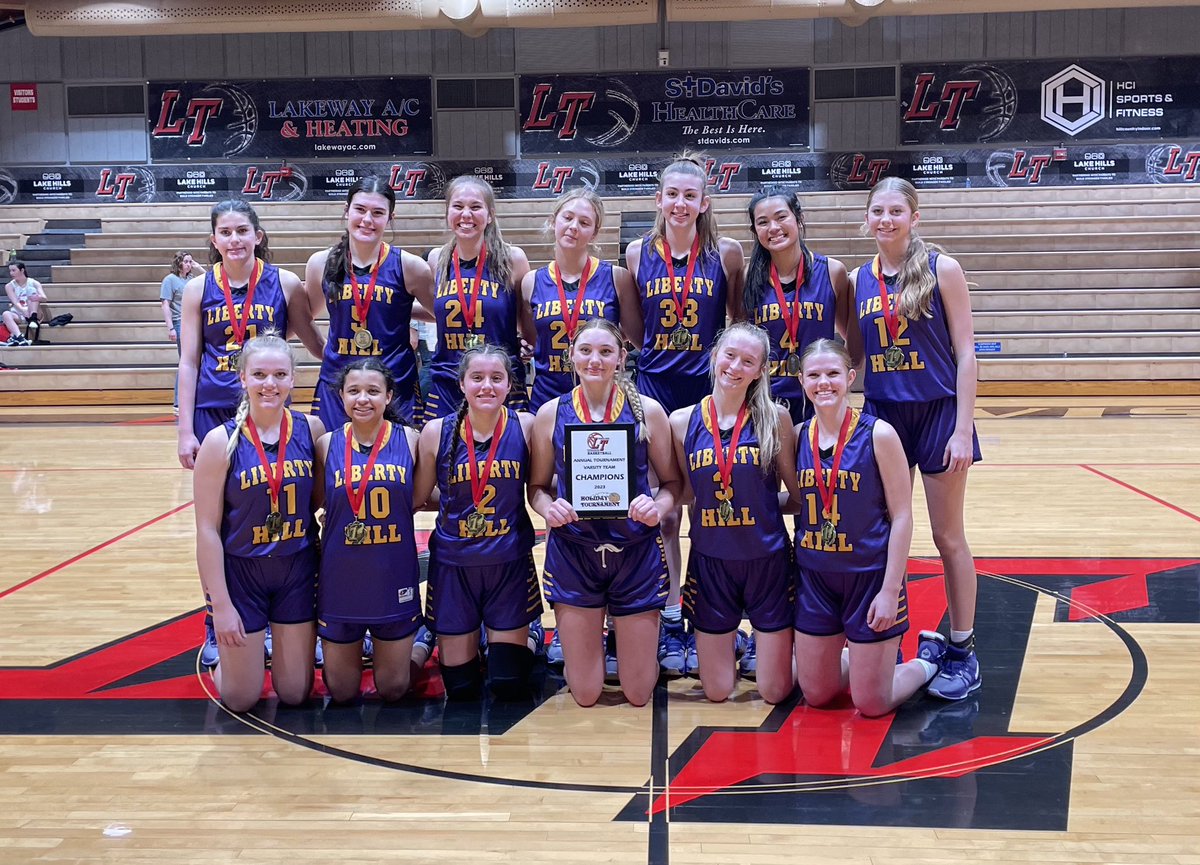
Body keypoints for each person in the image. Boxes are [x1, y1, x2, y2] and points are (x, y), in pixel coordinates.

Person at [844, 177, 983, 701]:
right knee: (884, 534)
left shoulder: (941, 269)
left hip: (939, 412)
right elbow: (853, 355)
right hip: (884, 418)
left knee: (948, 536)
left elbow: (967, 352)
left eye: (896, 211)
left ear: (914, 217)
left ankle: (963, 650)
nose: (885, 219)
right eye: (877, 211)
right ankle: (888, 640)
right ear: (867, 218)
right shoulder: (857, 278)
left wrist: (963, 429)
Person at [177, 200, 324, 669]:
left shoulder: (283, 282)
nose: (235, 239)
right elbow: (188, 361)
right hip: (215, 409)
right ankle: (217, 622)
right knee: (218, 521)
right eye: (226, 231)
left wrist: (347, 363)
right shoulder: (198, 288)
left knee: (286, 502)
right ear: (214, 240)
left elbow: (310, 338)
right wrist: (184, 428)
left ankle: (300, 619)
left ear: (258, 236)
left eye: (243, 230)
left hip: (269, 403)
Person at [624, 152, 745, 677]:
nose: (679, 203)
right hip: (654, 389)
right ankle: (672, 611)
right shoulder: (634, 253)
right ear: (658, 199)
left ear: (704, 202)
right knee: (665, 510)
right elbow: (632, 327)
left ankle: (712, 617)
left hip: (706, 392)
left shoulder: (727, 252)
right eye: (671, 194)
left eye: (689, 196)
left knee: (711, 508)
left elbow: (736, 319)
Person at [529, 318, 681, 707]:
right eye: (586, 351)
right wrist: (551, 507)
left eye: (605, 351)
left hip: (634, 553)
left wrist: (657, 505)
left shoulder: (648, 411)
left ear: (621, 358)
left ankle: (628, 645)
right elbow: (537, 489)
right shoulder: (550, 413)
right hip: (575, 552)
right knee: (586, 693)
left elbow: (674, 486)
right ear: (572, 356)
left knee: (638, 691)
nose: (594, 360)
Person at [792, 339, 944, 717]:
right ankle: (859, 659)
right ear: (801, 381)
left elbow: (903, 515)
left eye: (832, 374)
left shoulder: (879, 434)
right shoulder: (796, 436)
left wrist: (891, 590)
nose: (823, 383)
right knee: (817, 695)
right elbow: (792, 501)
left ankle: (928, 660)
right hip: (815, 579)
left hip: (869, 578)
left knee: (871, 703)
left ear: (851, 377)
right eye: (814, 375)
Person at [191, 332, 325, 712]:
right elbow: (206, 529)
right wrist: (220, 605)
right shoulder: (219, 442)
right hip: (243, 574)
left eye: (280, 374)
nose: (271, 384)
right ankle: (228, 657)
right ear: (243, 378)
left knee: (296, 693)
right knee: (240, 698)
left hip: (297, 568)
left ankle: (262, 651)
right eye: (261, 374)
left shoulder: (311, 431)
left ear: (293, 379)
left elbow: (316, 499)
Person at [670, 322, 801, 703]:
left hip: (768, 561)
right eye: (729, 355)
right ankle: (739, 639)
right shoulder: (682, 422)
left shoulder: (776, 419)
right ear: (714, 356)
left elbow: (795, 497)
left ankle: (823, 657)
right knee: (716, 691)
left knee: (775, 692)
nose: (735, 367)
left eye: (748, 361)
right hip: (711, 563)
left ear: (760, 371)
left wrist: (758, 510)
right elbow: (686, 493)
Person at [414, 345, 544, 701]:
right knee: (461, 687)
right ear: (461, 383)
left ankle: (530, 633)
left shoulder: (527, 427)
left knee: (507, 682)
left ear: (508, 386)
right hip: (454, 566)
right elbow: (418, 497)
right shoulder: (435, 432)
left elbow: (540, 486)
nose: (487, 386)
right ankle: (453, 633)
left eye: (496, 378)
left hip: (508, 564)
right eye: (477, 378)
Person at [315, 358, 429, 704]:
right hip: (341, 580)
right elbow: (320, 502)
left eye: (373, 391)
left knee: (393, 689)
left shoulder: (411, 440)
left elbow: (420, 498)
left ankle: (424, 642)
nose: (363, 399)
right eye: (354, 391)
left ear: (389, 396)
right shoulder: (325, 444)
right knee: (342, 692)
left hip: (391, 576)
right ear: (341, 397)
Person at [305, 176, 435, 429]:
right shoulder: (320, 263)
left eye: (377, 213)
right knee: (334, 463)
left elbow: (440, 312)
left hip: (395, 386)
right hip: (338, 385)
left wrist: (402, 311)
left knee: (397, 465)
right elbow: (305, 315)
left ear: (390, 217)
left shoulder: (410, 266)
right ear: (347, 211)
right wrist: (325, 353)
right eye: (360, 209)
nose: (367, 220)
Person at [520, 187, 640, 412]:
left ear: (594, 232)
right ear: (553, 220)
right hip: (546, 399)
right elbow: (532, 341)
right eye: (567, 218)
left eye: (584, 223)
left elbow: (636, 338)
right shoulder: (530, 282)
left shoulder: (617, 278)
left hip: (602, 400)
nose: (573, 227)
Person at [424, 176, 532, 421]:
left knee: (503, 457)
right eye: (458, 206)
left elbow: (525, 323)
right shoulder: (436, 259)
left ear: (490, 214)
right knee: (444, 456)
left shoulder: (512, 259)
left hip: (499, 381)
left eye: (475, 207)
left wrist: (527, 345)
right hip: (447, 379)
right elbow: (437, 311)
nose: (466, 214)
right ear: (447, 212)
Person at [744, 188, 852, 426]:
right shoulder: (747, 279)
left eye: (781, 217)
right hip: (766, 400)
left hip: (819, 396)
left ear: (798, 218)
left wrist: (838, 380)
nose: (773, 227)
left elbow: (850, 338)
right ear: (755, 231)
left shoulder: (833, 272)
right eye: (763, 222)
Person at [161, 251, 205, 414]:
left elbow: (213, 282)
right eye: (186, 261)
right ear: (178, 263)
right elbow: (165, 304)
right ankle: (178, 403)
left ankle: (193, 398)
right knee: (186, 361)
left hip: (195, 323)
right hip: (180, 323)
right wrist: (170, 327)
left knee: (196, 361)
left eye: (190, 262)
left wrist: (199, 268)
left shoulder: (192, 280)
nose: (189, 264)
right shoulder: (170, 280)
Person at [4, 261, 48, 346]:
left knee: (31, 291)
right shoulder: (9, 286)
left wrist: (38, 297)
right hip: (19, 312)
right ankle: (19, 336)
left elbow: (44, 298)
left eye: (14, 270)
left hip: (33, 310)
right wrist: (23, 310)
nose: (11, 273)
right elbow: (15, 302)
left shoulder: (33, 282)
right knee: (6, 314)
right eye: (10, 271)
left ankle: (33, 318)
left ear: (22, 270)